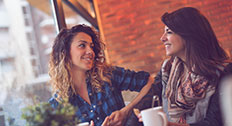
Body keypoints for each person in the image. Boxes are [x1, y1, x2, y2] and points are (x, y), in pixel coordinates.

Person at [135, 7, 231, 126]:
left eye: (169, 32)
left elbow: (215, 122)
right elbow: (149, 99)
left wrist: (167, 124)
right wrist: (125, 112)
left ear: (188, 35)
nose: (162, 38)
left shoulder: (224, 72)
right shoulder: (167, 69)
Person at [48, 24, 153, 126]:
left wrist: (126, 111)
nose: (90, 51)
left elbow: (149, 81)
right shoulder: (57, 105)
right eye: (82, 45)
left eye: (91, 46)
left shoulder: (107, 75)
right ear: (65, 53)